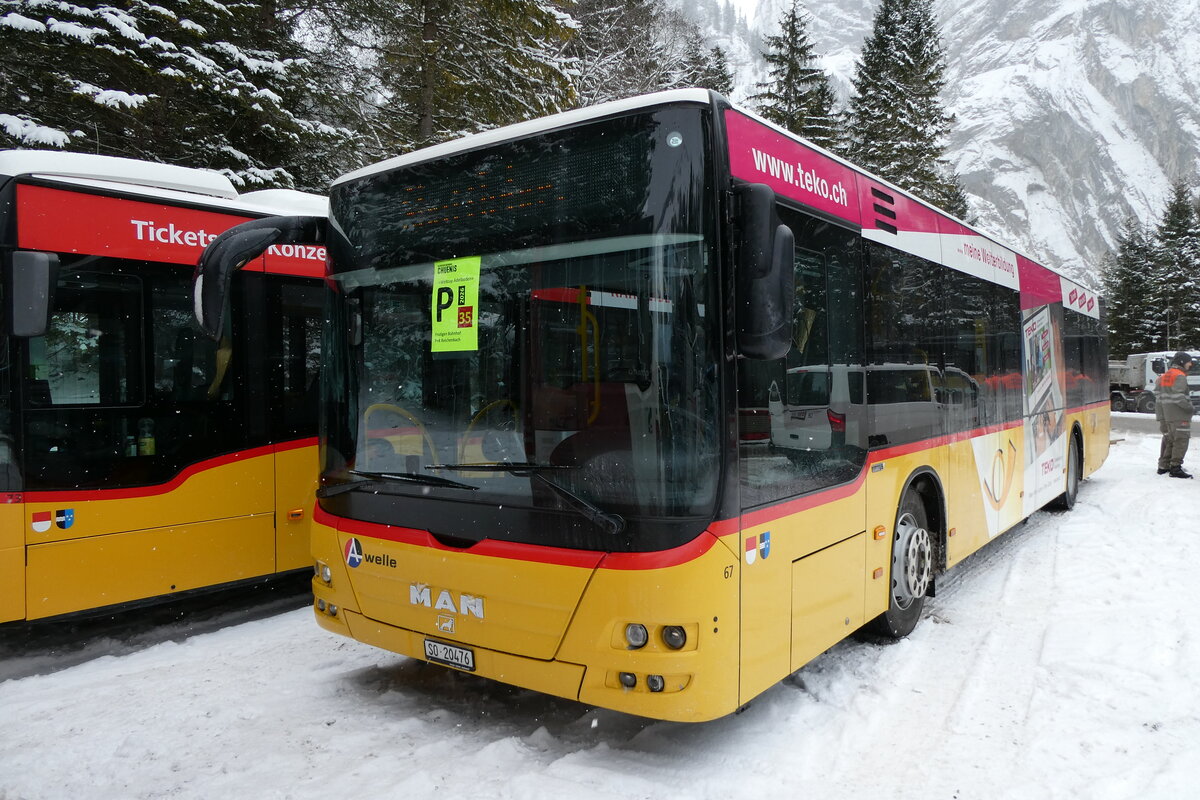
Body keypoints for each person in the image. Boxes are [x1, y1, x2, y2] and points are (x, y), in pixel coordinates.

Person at [1155, 350, 1196, 478]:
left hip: (1166, 414)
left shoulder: (1165, 375)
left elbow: (1158, 396)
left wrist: (1161, 416)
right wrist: (1190, 408)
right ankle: (1175, 468)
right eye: (1189, 362)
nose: (1190, 364)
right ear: (1182, 362)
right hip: (1178, 414)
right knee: (1181, 441)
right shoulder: (1179, 376)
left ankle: (1163, 466)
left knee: (1169, 440)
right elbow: (1178, 397)